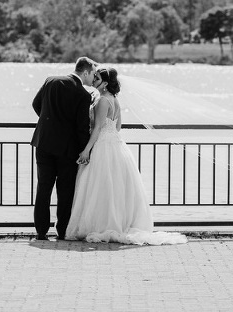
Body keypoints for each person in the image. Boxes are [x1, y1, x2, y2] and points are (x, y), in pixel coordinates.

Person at [65, 67, 187, 245]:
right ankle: (119, 222)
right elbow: (117, 127)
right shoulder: (114, 100)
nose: (93, 81)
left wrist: (86, 150)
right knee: (115, 188)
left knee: (100, 188)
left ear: (105, 84)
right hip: (117, 146)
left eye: (97, 79)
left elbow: (98, 128)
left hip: (102, 147)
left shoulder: (102, 102)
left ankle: (101, 224)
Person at [31, 56, 98, 240]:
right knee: (65, 190)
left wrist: (49, 122)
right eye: (92, 74)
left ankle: (41, 231)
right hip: (67, 149)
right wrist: (86, 150)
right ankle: (62, 231)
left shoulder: (50, 81)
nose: (93, 78)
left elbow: (36, 105)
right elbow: (82, 127)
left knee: (43, 187)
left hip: (43, 143)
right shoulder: (82, 95)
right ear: (85, 72)